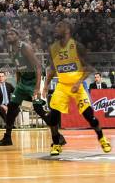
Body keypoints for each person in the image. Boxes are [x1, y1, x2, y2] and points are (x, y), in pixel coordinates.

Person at [35, 21, 110, 156]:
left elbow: (88, 68)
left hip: (77, 86)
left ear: (67, 29)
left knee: (90, 117)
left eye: (59, 26)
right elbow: (52, 69)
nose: (55, 28)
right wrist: (46, 85)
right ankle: (56, 144)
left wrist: (78, 82)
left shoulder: (77, 46)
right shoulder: (53, 48)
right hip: (62, 86)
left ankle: (102, 139)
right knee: (53, 118)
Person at [0, 29, 43, 147]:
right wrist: (18, 84)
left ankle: (57, 135)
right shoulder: (11, 50)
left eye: (12, 34)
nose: (9, 36)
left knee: (38, 108)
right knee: (12, 107)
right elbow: (18, 67)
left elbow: (38, 67)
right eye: (7, 34)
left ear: (18, 36)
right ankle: (7, 137)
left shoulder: (25, 47)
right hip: (23, 82)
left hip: (34, 81)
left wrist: (37, 87)